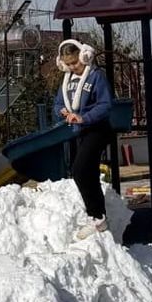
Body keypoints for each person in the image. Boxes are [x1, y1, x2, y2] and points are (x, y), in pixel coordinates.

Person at [52, 39, 114, 240]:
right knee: (87, 172)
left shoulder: (96, 76)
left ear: (84, 56)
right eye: (68, 65)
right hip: (81, 131)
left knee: (79, 170)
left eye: (75, 63)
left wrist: (84, 117)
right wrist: (62, 111)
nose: (72, 68)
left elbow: (105, 104)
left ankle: (96, 216)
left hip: (97, 128)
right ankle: (99, 218)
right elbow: (58, 103)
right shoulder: (67, 81)